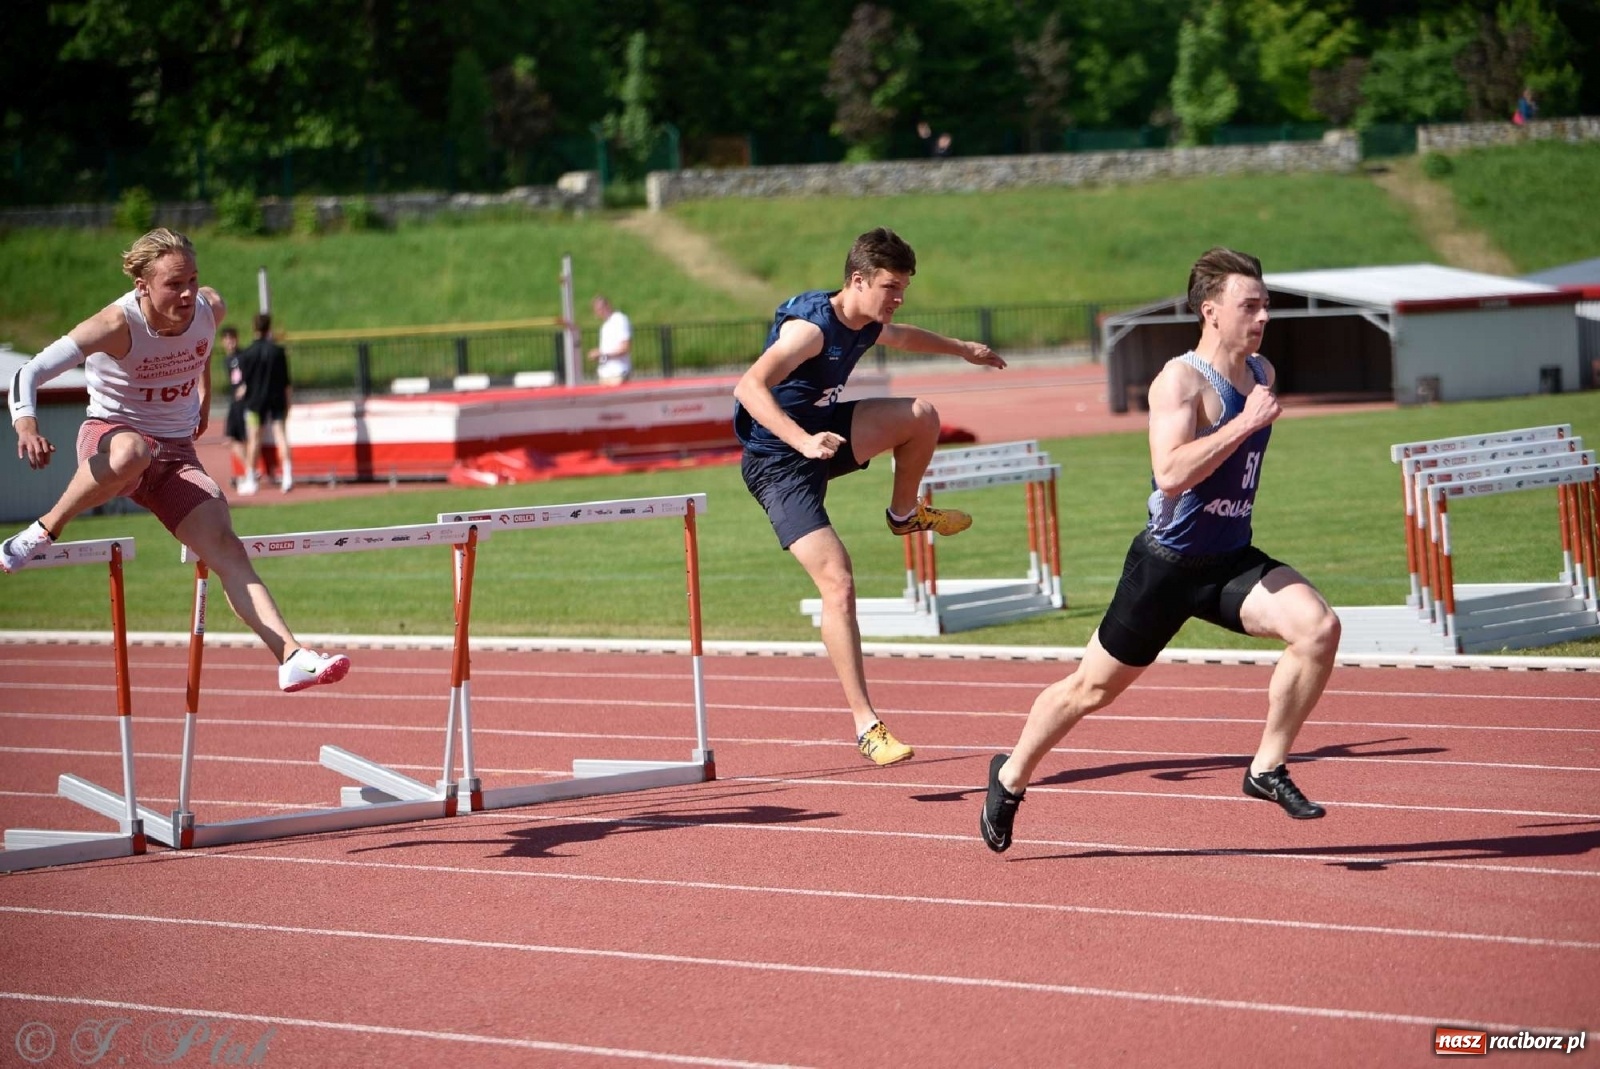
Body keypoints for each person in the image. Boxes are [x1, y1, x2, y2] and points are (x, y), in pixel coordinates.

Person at [979, 247, 1341, 852]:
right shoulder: (1180, 380)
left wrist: (1249, 415)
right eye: (1249, 306)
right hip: (1166, 567)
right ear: (1211, 312)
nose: (1262, 318)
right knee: (1088, 690)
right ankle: (1011, 776)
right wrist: (1245, 423)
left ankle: (1265, 770)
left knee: (1319, 627)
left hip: (1229, 561)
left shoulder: (1263, 373)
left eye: (1266, 306)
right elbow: (1170, 473)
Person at [2, 228, 349, 693]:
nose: (187, 293)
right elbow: (30, 370)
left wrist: (203, 393)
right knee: (133, 452)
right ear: (142, 285)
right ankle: (41, 531)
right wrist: (26, 425)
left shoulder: (209, 307)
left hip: (176, 455)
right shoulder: (114, 324)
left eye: (192, 279)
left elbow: (199, 345)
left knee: (226, 545)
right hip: (112, 439)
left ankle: (290, 655)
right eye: (173, 284)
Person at [734, 227, 1006, 766]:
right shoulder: (809, 333)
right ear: (857, 281)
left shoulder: (865, 320)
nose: (898, 297)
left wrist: (963, 350)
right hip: (779, 462)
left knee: (921, 416)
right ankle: (867, 725)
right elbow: (747, 387)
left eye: (904, 286)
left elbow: (902, 336)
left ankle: (904, 515)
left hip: (826, 434)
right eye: (890, 287)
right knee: (838, 582)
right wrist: (803, 441)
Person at [238, 312, 293, 494]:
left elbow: (244, 381)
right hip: (276, 398)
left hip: (255, 401)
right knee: (281, 436)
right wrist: (288, 402)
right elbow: (286, 382)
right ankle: (287, 477)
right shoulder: (278, 351)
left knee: (254, 439)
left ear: (254, 328)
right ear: (269, 327)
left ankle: (251, 479)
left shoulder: (246, 354)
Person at [218, 325, 249, 485]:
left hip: (243, 403)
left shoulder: (242, 357)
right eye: (227, 339)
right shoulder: (227, 359)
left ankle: (249, 471)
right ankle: (250, 470)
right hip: (234, 402)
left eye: (232, 339)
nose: (230, 342)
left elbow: (249, 374)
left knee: (241, 438)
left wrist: (245, 387)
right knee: (230, 439)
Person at [587, 295, 632, 385]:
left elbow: (625, 347)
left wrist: (603, 354)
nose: (598, 313)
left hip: (617, 373)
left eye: (599, 309)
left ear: (608, 306)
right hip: (605, 374)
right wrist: (600, 354)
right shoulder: (605, 325)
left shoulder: (619, 320)